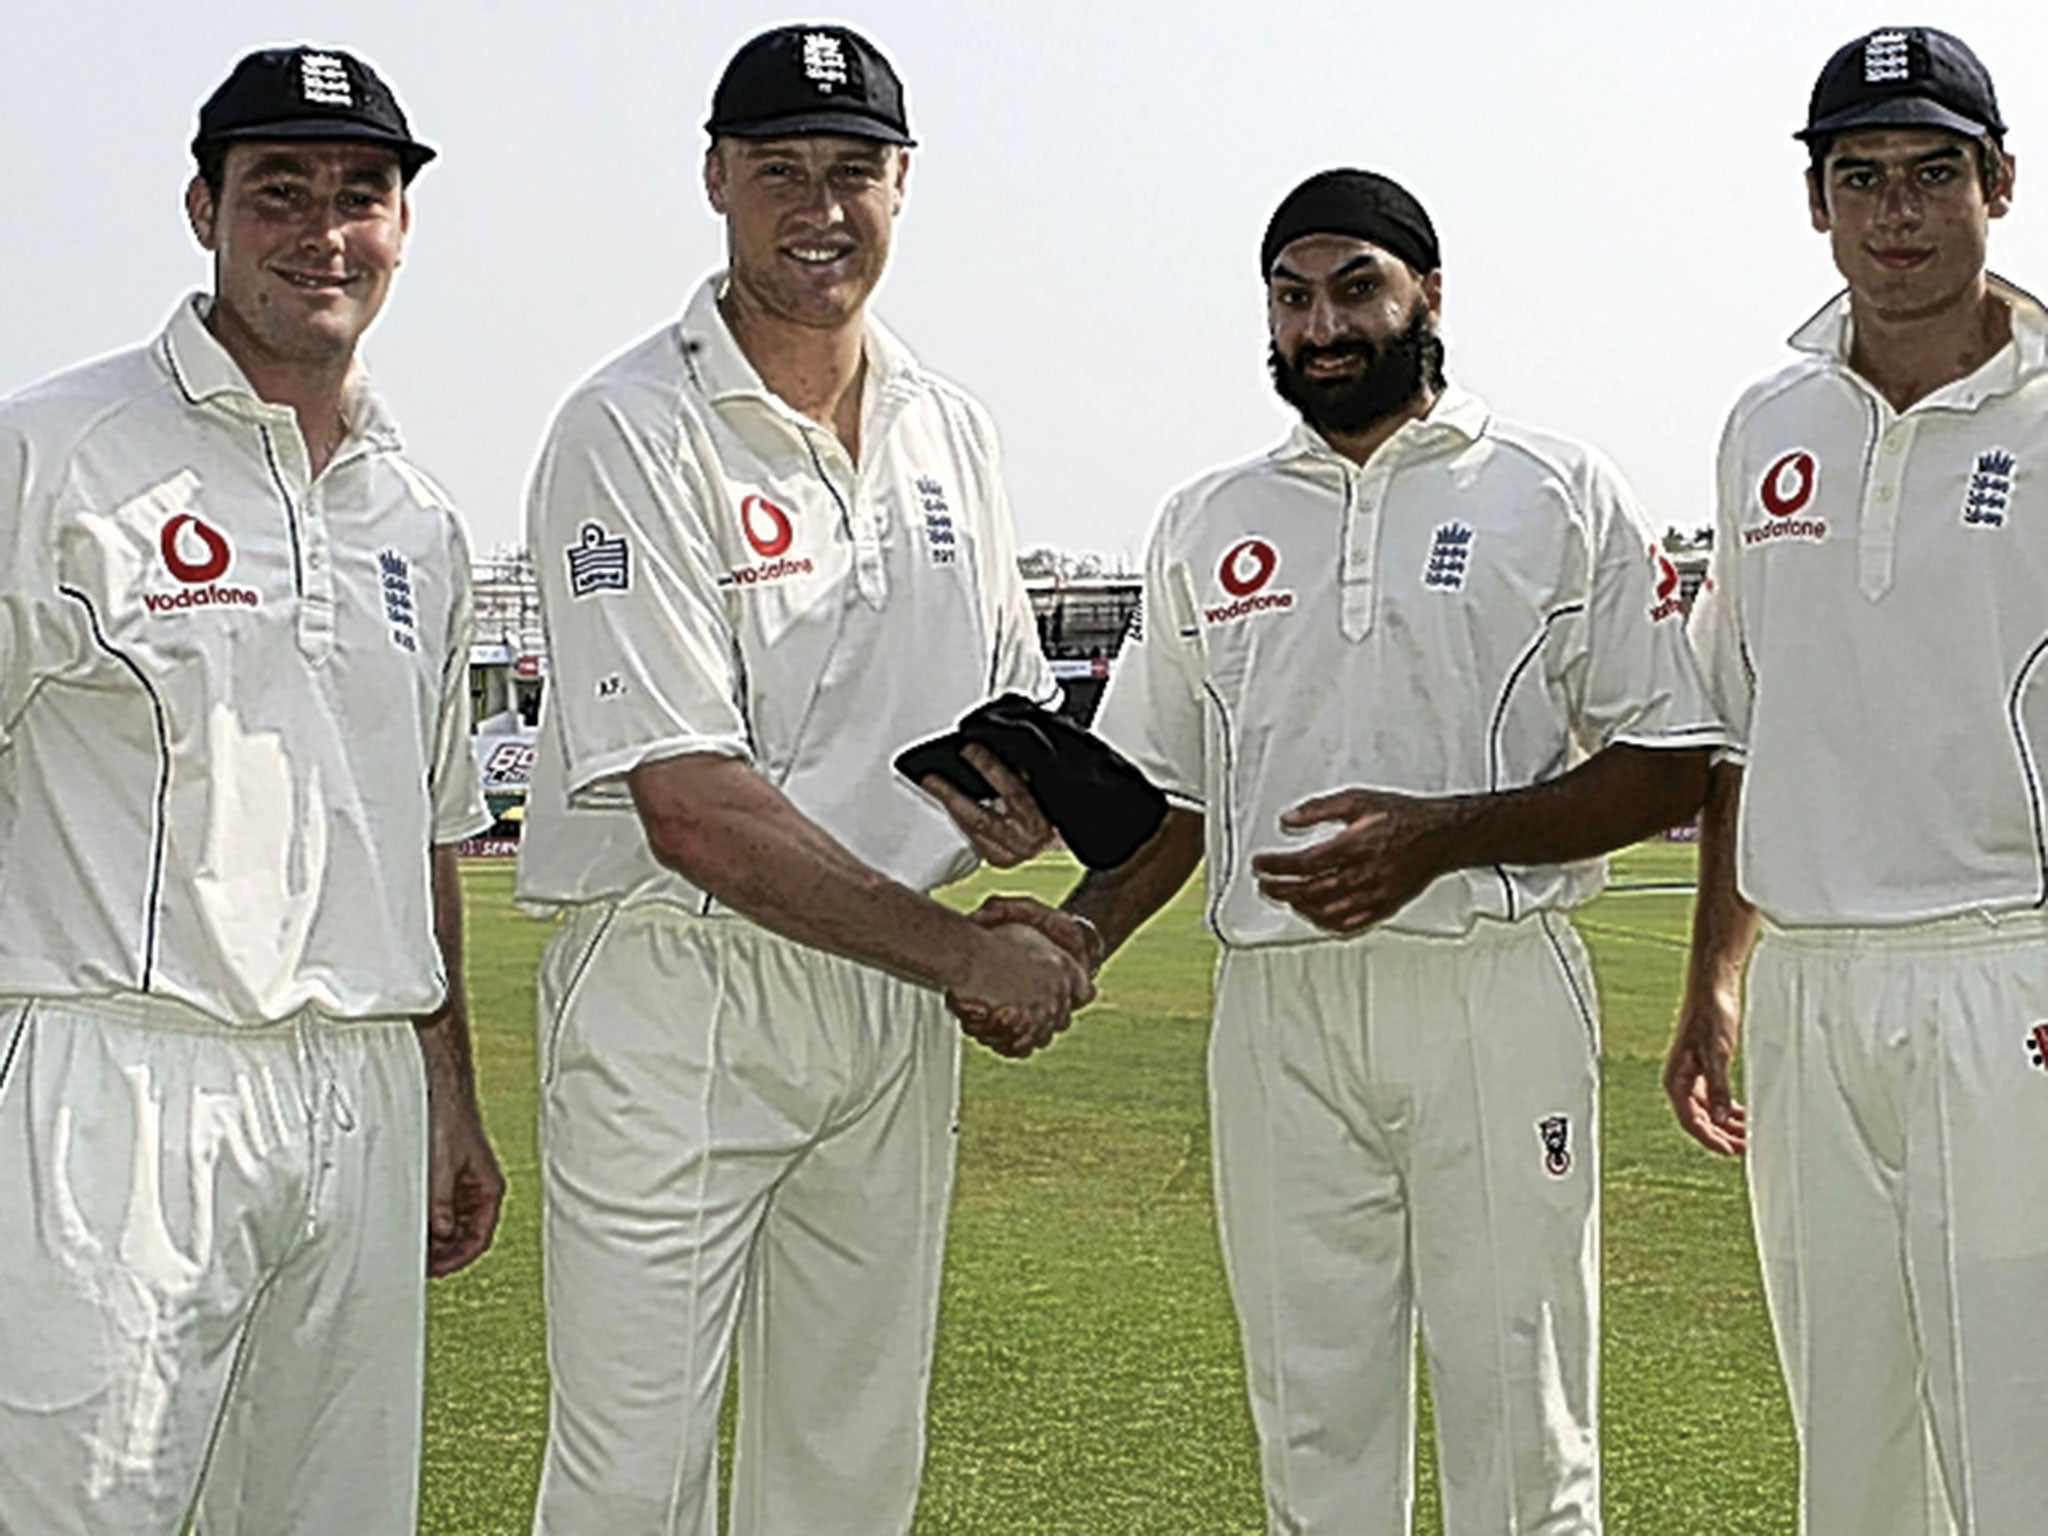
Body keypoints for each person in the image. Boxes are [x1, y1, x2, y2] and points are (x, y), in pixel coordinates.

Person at [963, 169, 1721, 1532]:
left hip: (1486, 987)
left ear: (1428, 294)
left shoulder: (1554, 489)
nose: (1322, 328)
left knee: (1523, 1423)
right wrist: (1079, 930)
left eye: (1356, 289)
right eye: (1291, 297)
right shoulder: (1209, 518)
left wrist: (1443, 839)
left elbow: (1669, 755)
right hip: (1279, 1014)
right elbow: (1172, 793)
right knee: (1315, 1427)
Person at [513, 23, 1091, 1534]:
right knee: (634, 1477)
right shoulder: (630, 425)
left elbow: (1002, 712)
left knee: (845, 1470)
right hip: (682, 995)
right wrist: (971, 949)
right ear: (715, 180)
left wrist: (1015, 814)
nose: (818, 207)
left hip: (889, 995)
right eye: (779, 171)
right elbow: (689, 803)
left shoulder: (947, 428)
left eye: (853, 171)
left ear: (905, 184)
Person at [0, 44, 502, 1535]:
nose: (323, 232)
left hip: (357, 1085)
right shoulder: (58, 451)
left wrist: (448, 1094)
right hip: (122, 1072)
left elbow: (417, 833)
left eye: (361, 196)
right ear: (203, 209)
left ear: (401, 229)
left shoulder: (417, 515)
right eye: (278, 193)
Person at [1667, 26, 2048, 1534]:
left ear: (1998, 185)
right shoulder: (1769, 426)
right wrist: (1716, 982)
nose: (1897, 214)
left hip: (2004, 969)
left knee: (2018, 1438)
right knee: (1854, 1440)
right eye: (1862, 178)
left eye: (1932, 175)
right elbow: (1741, 733)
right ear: (1817, 204)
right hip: (1816, 989)